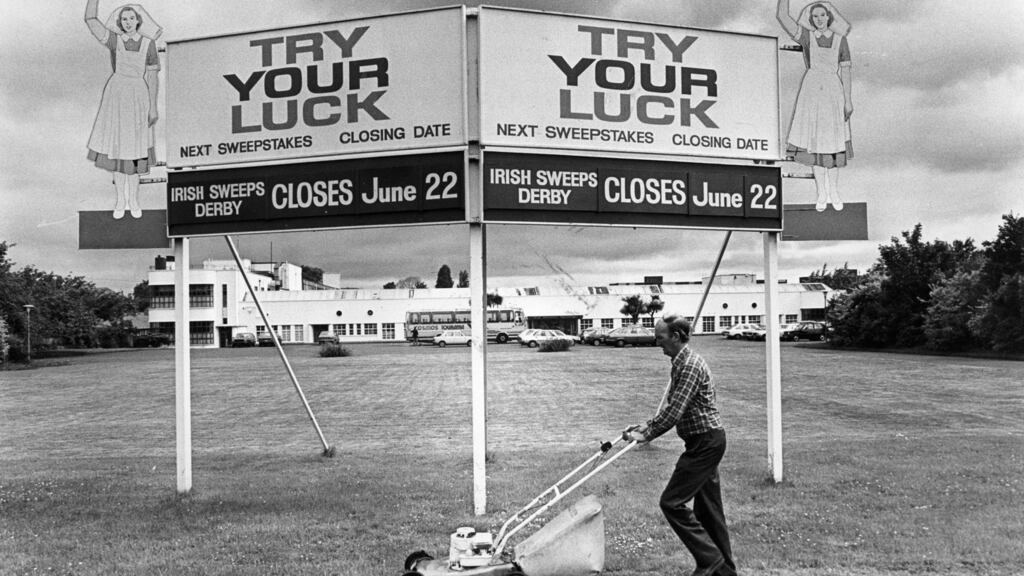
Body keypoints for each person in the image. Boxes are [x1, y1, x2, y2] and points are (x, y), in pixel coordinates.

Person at [623, 314, 736, 576]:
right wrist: (646, 425)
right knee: (709, 511)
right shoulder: (680, 362)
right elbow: (675, 407)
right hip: (702, 441)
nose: (657, 343)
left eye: (660, 338)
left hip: (706, 443)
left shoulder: (690, 365)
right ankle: (725, 572)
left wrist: (647, 436)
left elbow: (675, 412)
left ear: (675, 336)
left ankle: (710, 560)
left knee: (671, 502)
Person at [84, 1, 161, 219]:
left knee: (136, 151)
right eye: (124, 19)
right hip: (116, 95)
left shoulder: (149, 44)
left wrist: (153, 106)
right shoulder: (114, 40)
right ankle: (120, 200)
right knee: (117, 150)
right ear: (120, 22)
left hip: (138, 96)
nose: (128, 22)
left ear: (138, 21)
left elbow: (152, 76)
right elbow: (90, 20)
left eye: (131, 18)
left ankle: (134, 200)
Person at [777, 0, 853, 212]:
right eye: (815, 16)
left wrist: (848, 100)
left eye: (823, 15)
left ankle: (834, 191)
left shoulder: (840, 40)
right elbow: (783, 17)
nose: (819, 19)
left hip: (833, 92)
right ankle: (821, 193)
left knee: (834, 142)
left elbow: (846, 70)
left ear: (829, 17)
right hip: (812, 91)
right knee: (815, 141)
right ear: (811, 19)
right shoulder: (807, 37)